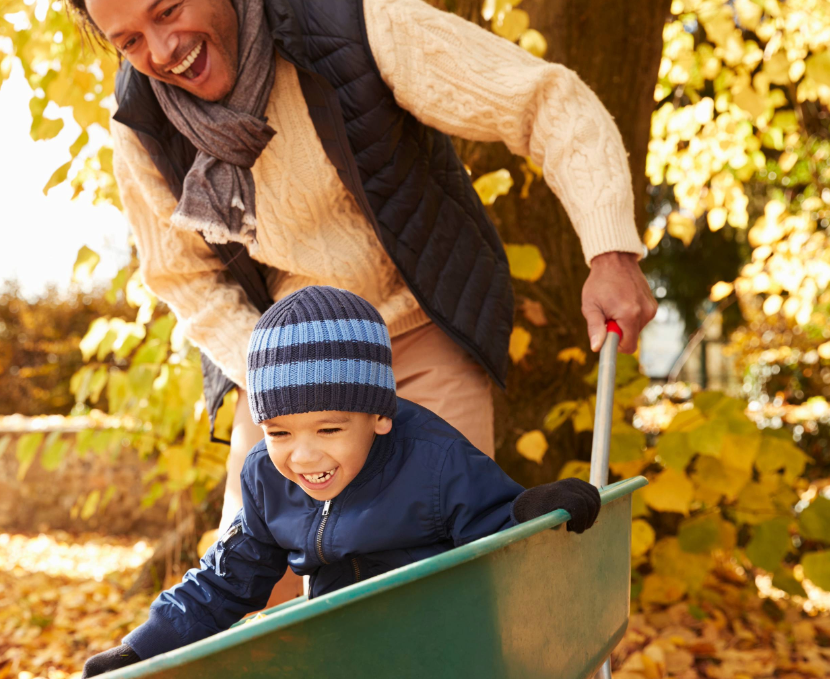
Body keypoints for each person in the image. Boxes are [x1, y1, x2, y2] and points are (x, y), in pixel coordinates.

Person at [54, 0, 656, 591]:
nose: (161, 51)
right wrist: (278, 372)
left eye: (167, 11)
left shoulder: (350, 22)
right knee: (260, 595)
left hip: (418, 331)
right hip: (288, 368)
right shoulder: (143, 125)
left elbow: (542, 100)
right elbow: (185, 279)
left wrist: (610, 251)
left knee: (425, 584)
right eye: (129, 41)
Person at [81, 287, 602, 676]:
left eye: (329, 428)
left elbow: (499, 535)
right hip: (346, 651)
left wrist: (533, 510)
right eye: (278, 431)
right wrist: (141, 651)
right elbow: (226, 580)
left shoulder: (435, 462)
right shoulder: (268, 476)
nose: (303, 455)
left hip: (442, 649)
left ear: (379, 415)